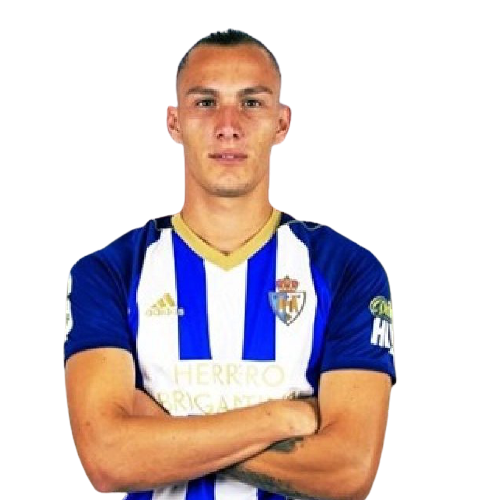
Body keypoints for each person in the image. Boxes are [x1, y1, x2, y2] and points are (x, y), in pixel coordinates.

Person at [64, 28, 396, 500]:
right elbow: (108, 460)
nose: (228, 125)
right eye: (205, 103)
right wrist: (282, 417)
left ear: (282, 124)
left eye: (251, 103)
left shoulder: (347, 268)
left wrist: (163, 434)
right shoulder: (108, 271)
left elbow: (350, 471)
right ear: (174, 123)